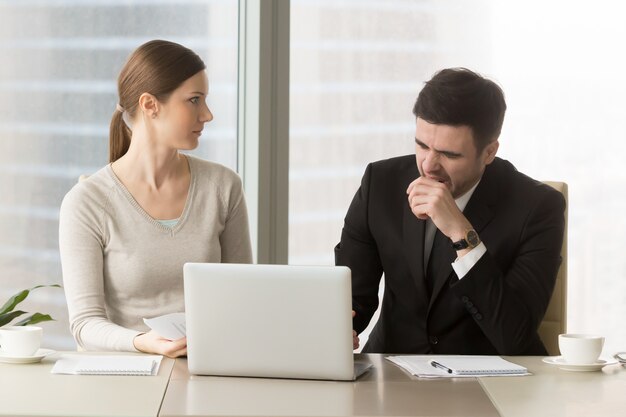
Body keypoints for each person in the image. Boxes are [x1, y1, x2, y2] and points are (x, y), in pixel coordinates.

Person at [336, 68, 565, 356]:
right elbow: (352, 298)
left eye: (449, 154)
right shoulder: (380, 183)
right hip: (392, 374)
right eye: (421, 145)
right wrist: (342, 328)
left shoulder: (539, 207)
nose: (429, 165)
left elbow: (515, 337)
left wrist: (461, 233)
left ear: (489, 152)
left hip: (489, 385)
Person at [59, 40, 252, 358]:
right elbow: (85, 324)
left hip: (211, 369)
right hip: (125, 379)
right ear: (150, 105)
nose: (207, 114)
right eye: (194, 100)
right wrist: (143, 342)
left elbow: (244, 298)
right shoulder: (87, 202)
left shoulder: (223, 187)